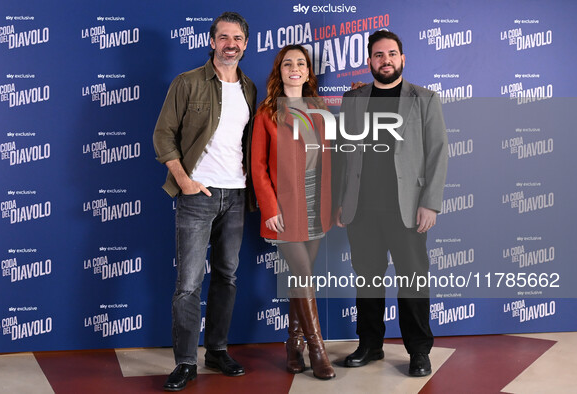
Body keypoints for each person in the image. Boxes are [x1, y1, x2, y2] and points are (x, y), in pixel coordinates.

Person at [153, 12, 256, 391]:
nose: (231, 44)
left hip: (237, 195)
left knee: (227, 277)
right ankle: (185, 361)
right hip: (197, 196)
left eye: (238, 38)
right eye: (224, 37)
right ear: (212, 42)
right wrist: (184, 181)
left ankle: (216, 350)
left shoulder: (249, 89)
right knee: (189, 284)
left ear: (245, 44)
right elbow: (163, 135)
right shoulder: (188, 82)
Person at [335, 30, 448, 377]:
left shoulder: (425, 98)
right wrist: (342, 201)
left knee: (414, 280)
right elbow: (343, 152)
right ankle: (370, 344)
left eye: (392, 54)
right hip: (361, 208)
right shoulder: (353, 99)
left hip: (408, 209)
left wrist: (430, 203)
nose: (386, 60)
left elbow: (438, 153)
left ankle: (418, 351)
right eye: (379, 55)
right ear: (370, 61)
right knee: (367, 279)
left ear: (403, 58)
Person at [251, 45, 335, 380]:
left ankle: (293, 344)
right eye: (288, 64)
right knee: (303, 274)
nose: (295, 68)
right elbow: (257, 167)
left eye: (301, 63)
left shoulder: (319, 108)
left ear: (308, 72)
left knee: (302, 278)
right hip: (286, 205)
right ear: (279, 71)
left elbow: (331, 158)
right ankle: (317, 350)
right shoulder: (267, 113)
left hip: (316, 202)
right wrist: (269, 207)